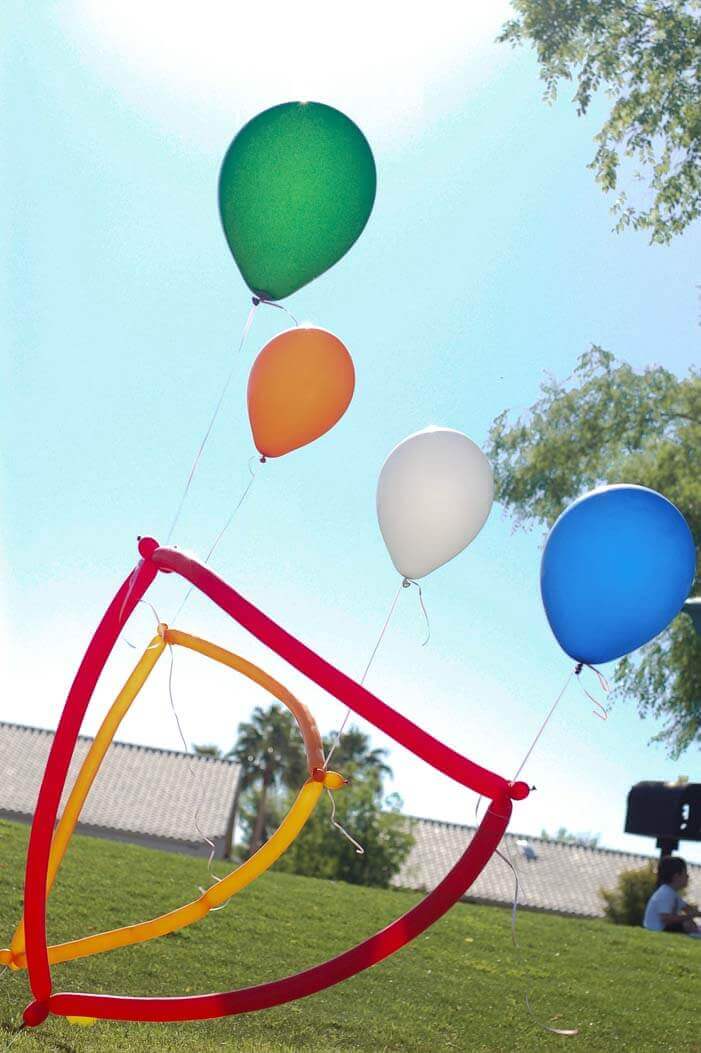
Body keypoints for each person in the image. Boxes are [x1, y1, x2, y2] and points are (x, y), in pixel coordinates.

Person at [643, 856, 700, 936]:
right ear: (676, 876)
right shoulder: (665, 893)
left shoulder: (672, 893)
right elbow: (666, 919)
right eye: (685, 873)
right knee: (688, 924)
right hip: (659, 931)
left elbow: (689, 909)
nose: (688, 876)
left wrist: (694, 914)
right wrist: (689, 916)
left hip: (666, 929)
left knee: (691, 924)